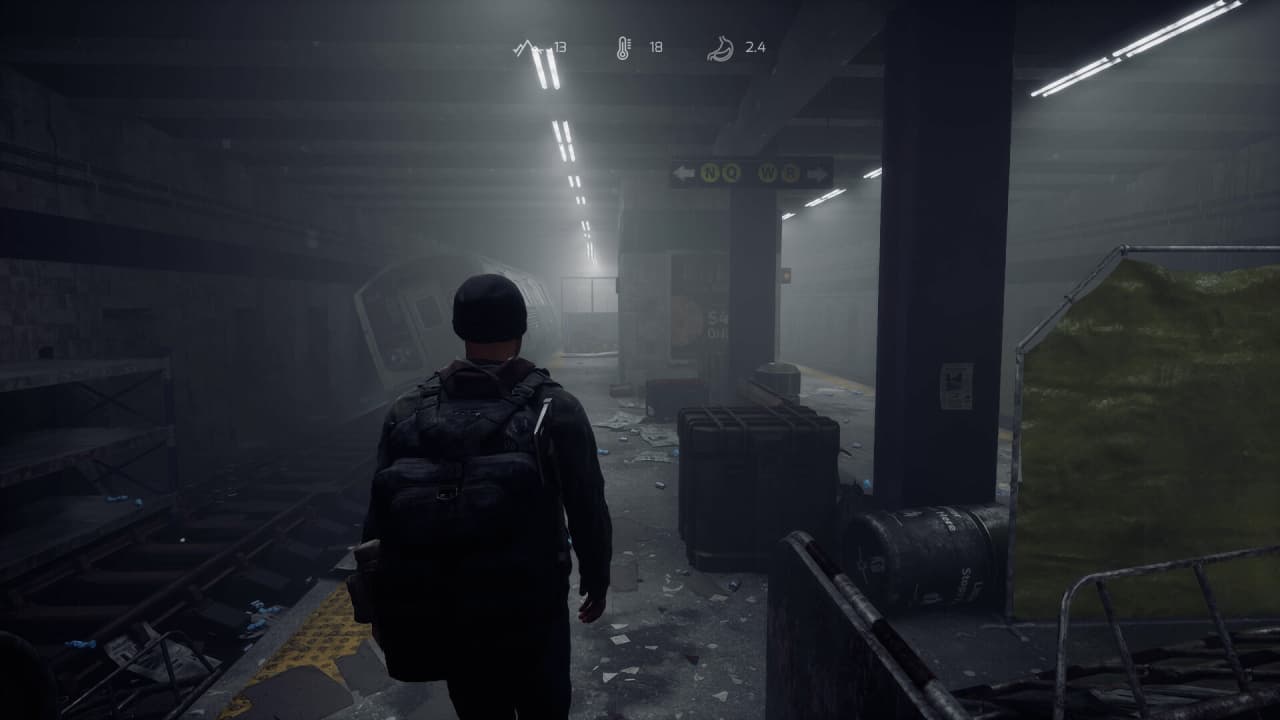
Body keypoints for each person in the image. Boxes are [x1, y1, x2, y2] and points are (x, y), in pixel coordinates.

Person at [360, 273, 612, 719]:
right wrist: (596, 577)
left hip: (450, 607)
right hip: (534, 608)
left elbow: (378, 523)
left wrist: (381, 606)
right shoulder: (555, 408)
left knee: (478, 708)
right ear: (522, 328)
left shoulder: (408, 410)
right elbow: (587, 505)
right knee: (545, 707)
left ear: (459, 329)